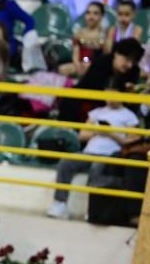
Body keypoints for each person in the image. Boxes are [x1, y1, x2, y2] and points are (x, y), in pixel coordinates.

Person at [46, 78, 139, 220]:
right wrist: (97, 131)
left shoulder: (129, 116)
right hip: (89, 152)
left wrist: (112, 135)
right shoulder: (96, 113)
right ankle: (60, 203)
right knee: (66, 162)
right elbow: (82, 135)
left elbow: (131, 141)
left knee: (97, 168)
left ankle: (93, 210)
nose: (109, 99)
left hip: (110, 154)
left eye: (113, 94)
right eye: (106, 94)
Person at [58, 38, 144, 122]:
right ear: (116, 54)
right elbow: (93, 86)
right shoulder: (101, 62)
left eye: (133, 62)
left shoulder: (134, 71)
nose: (130, 65)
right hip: (88, 96)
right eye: (127, 59)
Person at [58, 1, 106, 78]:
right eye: (88, 13)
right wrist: (77, 65)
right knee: (62, 69)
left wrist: (91, 64)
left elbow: (105, 54)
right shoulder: (79, 33)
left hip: (97, 65)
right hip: (80, 64)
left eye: (95, 13)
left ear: (102, 16)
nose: (91, 17)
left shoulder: (105, 33)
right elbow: (75, 53)